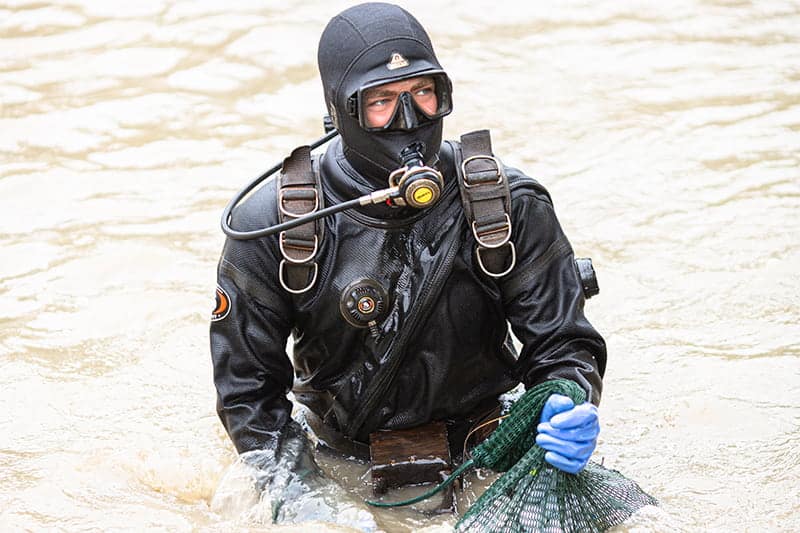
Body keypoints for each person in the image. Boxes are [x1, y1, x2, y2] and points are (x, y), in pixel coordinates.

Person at [210, 2, 606, 528]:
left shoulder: (507, 207)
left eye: (424, 93)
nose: (410, 120)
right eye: (381, 102)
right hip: (339, 461)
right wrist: (308, 500)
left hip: (488, 444)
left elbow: (563, 345)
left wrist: (570, 397)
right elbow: (248, 395)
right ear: (340, 112)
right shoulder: (277, 227)